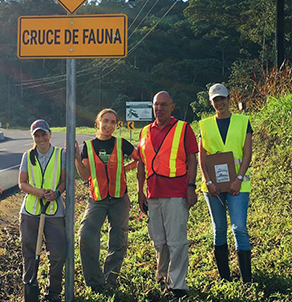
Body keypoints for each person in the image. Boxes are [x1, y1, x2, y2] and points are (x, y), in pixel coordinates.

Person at [137, 91, 198, 298]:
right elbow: (141, 163)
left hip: (176, 193)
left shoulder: (183, 129)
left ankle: (178, 284)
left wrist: (191, 187)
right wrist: (140, 191)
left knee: (176, 241)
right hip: (153, 194)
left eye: (164, 105)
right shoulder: (145, 130)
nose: (159, 108)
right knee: (158, 241)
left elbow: (192, 160)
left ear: (173, 106)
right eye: (156, 105)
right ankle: (161, 278)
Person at [74, 108, 139, 294]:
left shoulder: (121, 144)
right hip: (97, 199)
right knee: (86, 235)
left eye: (113, 122)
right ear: (98, 123)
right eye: (106, 121)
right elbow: (85, 174)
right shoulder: (88, 146)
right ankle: (95, 282)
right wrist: (77, 158)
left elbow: (139, 159)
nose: (109, 125)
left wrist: (124, 169)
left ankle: (110, 279)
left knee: (118, 240)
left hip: (120, 198)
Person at [199, 83, 253, 283]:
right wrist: (208, 181)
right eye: (215, 100)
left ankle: (247, 280)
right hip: (213, 187)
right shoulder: (204, 125)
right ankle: (225, 278)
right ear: (211, 102)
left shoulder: (243, 121)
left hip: (238, 184)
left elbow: (247, 153)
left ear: (229, 98)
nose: (219, 103)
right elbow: (202, 157)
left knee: (239, 227)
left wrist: (238, 179)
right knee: (219, 228)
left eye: (222, 98)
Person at [18, 119, 66, 302]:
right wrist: (39, 193)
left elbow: (64, 181)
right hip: (30, 212)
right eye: (36, 135)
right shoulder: (27, 156)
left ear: (49, 134)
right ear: (33, 137)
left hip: (54, 211)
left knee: (58, 254)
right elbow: (22, 183)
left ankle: (53, 291)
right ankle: (30, 287)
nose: (40, 138)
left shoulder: (60, 155)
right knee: (29, 252)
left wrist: (56, 193)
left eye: (43, 134)